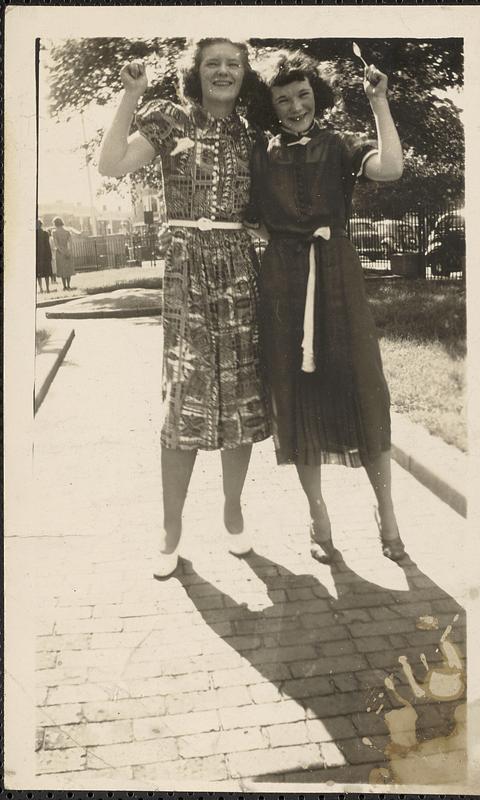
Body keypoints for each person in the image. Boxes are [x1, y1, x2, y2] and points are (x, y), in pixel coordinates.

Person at [99, 39, 271, 578]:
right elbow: (111, 164)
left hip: (239, 268)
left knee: (241, 395)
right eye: (213, 63)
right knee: (185, 398)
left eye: (233, 64)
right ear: (195, 72)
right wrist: (131, 95)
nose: (223, 71)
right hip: (187, 269)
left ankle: (233, 510)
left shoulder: (253, 133)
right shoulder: (170, 117)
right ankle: (171, 527)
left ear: (244, 75)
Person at [245, 51, 405, 564]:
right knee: (294, 392)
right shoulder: (260, 154)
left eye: (303, 95)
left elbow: (391, 168)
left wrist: (379, 102)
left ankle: (387, 511)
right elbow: (246, 216)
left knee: (363, 384)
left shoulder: (339, 144)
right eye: (283, 100)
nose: (295, 107)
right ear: (271, 108)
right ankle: (318, 516)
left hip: (337, 271)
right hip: (283, 283)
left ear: (318, 96)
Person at [52, 217, 74, 290]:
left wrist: (62, 252)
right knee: (68, 269)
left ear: (55, 224)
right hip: (67, 251)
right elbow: (71, 243)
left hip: (60, 253)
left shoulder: (54, 232)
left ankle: (64, 286)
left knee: (62, 270)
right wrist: (68, 251)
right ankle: (68, 285)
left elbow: (56, 244)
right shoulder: (67, 231)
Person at [36, 219, 53, 293]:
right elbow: (47, 245)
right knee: (46, 273)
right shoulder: (45, 233)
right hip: (45, 255)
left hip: (38, 256)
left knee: (39, 274)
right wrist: (50, 255)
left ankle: (41, 288)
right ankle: (47, 288)